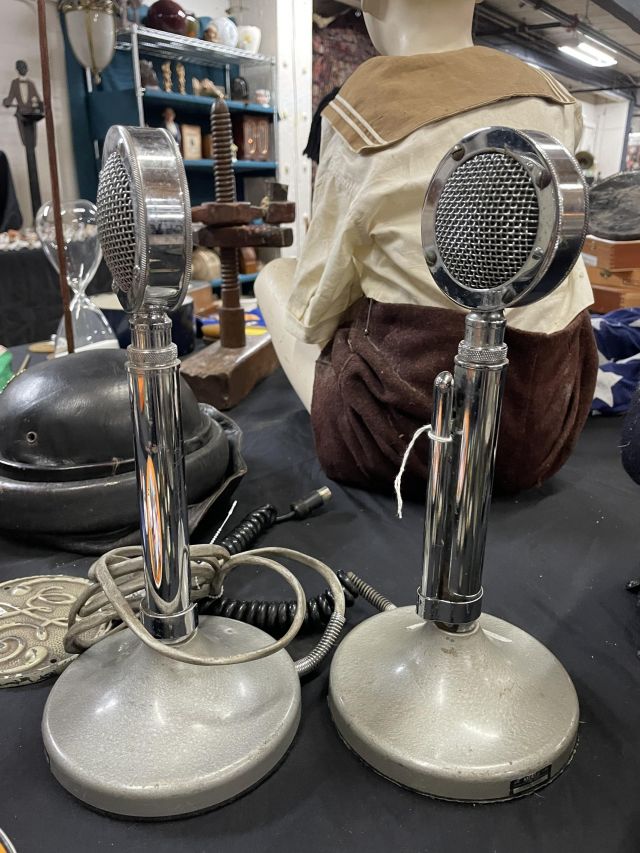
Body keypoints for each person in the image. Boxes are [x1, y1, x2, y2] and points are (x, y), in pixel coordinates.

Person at [255, 0, 597, 495]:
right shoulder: (556, 99)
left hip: (414, 438)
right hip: (549, 420)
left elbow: (314, 309)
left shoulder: (364, 109)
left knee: (276, 278)